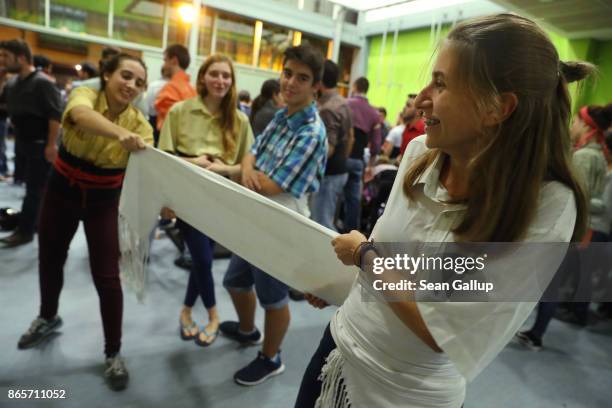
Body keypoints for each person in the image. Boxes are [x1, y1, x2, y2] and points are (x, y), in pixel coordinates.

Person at [295, 13, 591, 407]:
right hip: (337, 354)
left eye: (441, 83)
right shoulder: (420, 154)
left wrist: (364, 256)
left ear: (497, 108)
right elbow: (395, 254)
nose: (420, 100)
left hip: (408, 396)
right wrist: (341, 281)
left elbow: (442, 329)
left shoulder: (548, 206)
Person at [16, 53, 153, 391]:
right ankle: (48, 316)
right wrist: (120, 134)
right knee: (50, 258)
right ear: (106, 75)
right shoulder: (86, 96)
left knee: (107, 276)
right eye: (125, 75)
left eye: (139, 82)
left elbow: (152, 164)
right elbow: (78, 116)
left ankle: (113, 352)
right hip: (61, 190)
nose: (132, 85)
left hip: (104, 201)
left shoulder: (142, 126)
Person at [220, 45, 327, 386]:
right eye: (288, 73)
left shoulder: (312, 132)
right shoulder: (282, 116)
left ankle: (271, 357)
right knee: (235, 281)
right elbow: (252, 154)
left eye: (303, 78)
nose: (291, 82)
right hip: (255, 216)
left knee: (273, 297)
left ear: (316, 88)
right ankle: (249, 331)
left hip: (280, 225)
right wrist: (250, 171)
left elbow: (269, 184)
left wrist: (252, 175)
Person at [158, 54, 254, 347]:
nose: (220, 81)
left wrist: (224, 167)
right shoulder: (180, 111)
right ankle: (213, 315)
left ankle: (186, 311)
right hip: (188, 194)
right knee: (201, 258)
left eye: (226, 76)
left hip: (222, 198)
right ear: (202, 78)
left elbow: (247, 166)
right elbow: (163, 156)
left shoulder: (239, 120)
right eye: (215, 74)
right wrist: (193, 162)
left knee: (203, 259)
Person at [516, 103, 612, 349]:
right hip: (582, 227)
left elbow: (577, 198)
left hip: (573, 227)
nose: (572, 126)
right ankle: (535, 331)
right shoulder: (597, 154)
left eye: (576, 122)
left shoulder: (583, 157)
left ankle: (536, 334)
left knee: (549, 281)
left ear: (586, 126)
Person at [0, 40, 62, 247]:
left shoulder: (43, 82)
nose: (2, 60)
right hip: (22, 143)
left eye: (5, 56)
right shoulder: (11, 83)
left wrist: (51, 145)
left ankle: (25, 231)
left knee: (35, 190)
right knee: (31, 187)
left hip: (40, 143)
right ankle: (33, 223)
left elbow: (55, 115)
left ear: (22, 58)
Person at [311, 59, 353, 231]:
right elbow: (351, 137)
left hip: (329, 173)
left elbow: (328, 149)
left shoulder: (327, 108)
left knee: (322, 224)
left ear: (319, 82)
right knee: (327, 219)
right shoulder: (343, 103)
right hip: (339, 170)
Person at [344, 77, 381, 232]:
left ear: (355, 87)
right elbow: (376, 143)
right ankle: (351, 234)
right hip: (359, 159)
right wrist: (371, 163)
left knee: (332, 197)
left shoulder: (346, 104)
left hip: (342, 157)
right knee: (353, 199)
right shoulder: (374, 113)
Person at [154, 44, 197, 130]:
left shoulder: (170, 88)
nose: (164, 66)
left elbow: (168, 125)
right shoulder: (193, 90)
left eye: (165, 60)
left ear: (174, 61)